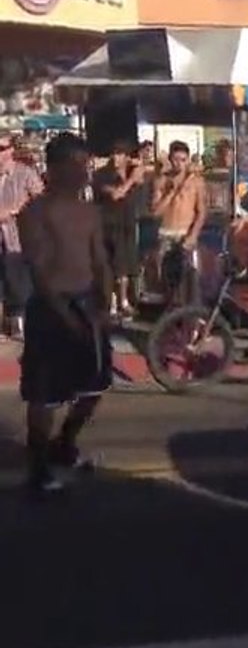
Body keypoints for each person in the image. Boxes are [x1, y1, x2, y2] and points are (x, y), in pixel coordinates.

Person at [17, 133, 114, 498]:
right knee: (44, 394)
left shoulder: (88, 211)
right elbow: (40, 271)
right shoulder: (35, 213)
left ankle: (65, 443)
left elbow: (100, 261)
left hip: (87, 304)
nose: (84, 173)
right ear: (54, 169)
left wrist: (104, 305)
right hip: (51, 308)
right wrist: (63, 314)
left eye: (85, 165)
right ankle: (38, 468)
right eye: (77, 166)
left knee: (94, 387)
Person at [150, 140, 207, 305]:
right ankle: (172, 321)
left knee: (192, 281)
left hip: (186, 234)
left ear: (188, 160)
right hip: (166, 234)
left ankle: (193, 324)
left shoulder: (197, 182)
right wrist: (171, 192)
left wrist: (193, 235)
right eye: (176, 160)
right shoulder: (161, 181)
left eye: (183, 160)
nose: (180, 164)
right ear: (170, 159)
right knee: (168, 284)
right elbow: (155, 212)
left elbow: (201, 212)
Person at [92, 141, 145, 319]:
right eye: (114, 154)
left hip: (128, 224)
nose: (116, 158)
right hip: (108, 225)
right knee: (113, 267)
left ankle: (125, 301)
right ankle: (113, 303)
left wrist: (138, 173)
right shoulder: (101, 175)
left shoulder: (134, 174)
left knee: (127, 266)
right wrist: (131, 180)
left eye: (121, 154)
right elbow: (116, 194)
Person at [0, 132, 43, 339]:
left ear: (11, 151)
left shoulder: (24, 174)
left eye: (2, 149)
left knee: (17, 280)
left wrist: (16, 209)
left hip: (17, 236)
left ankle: (19, 324)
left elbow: (40, 198)